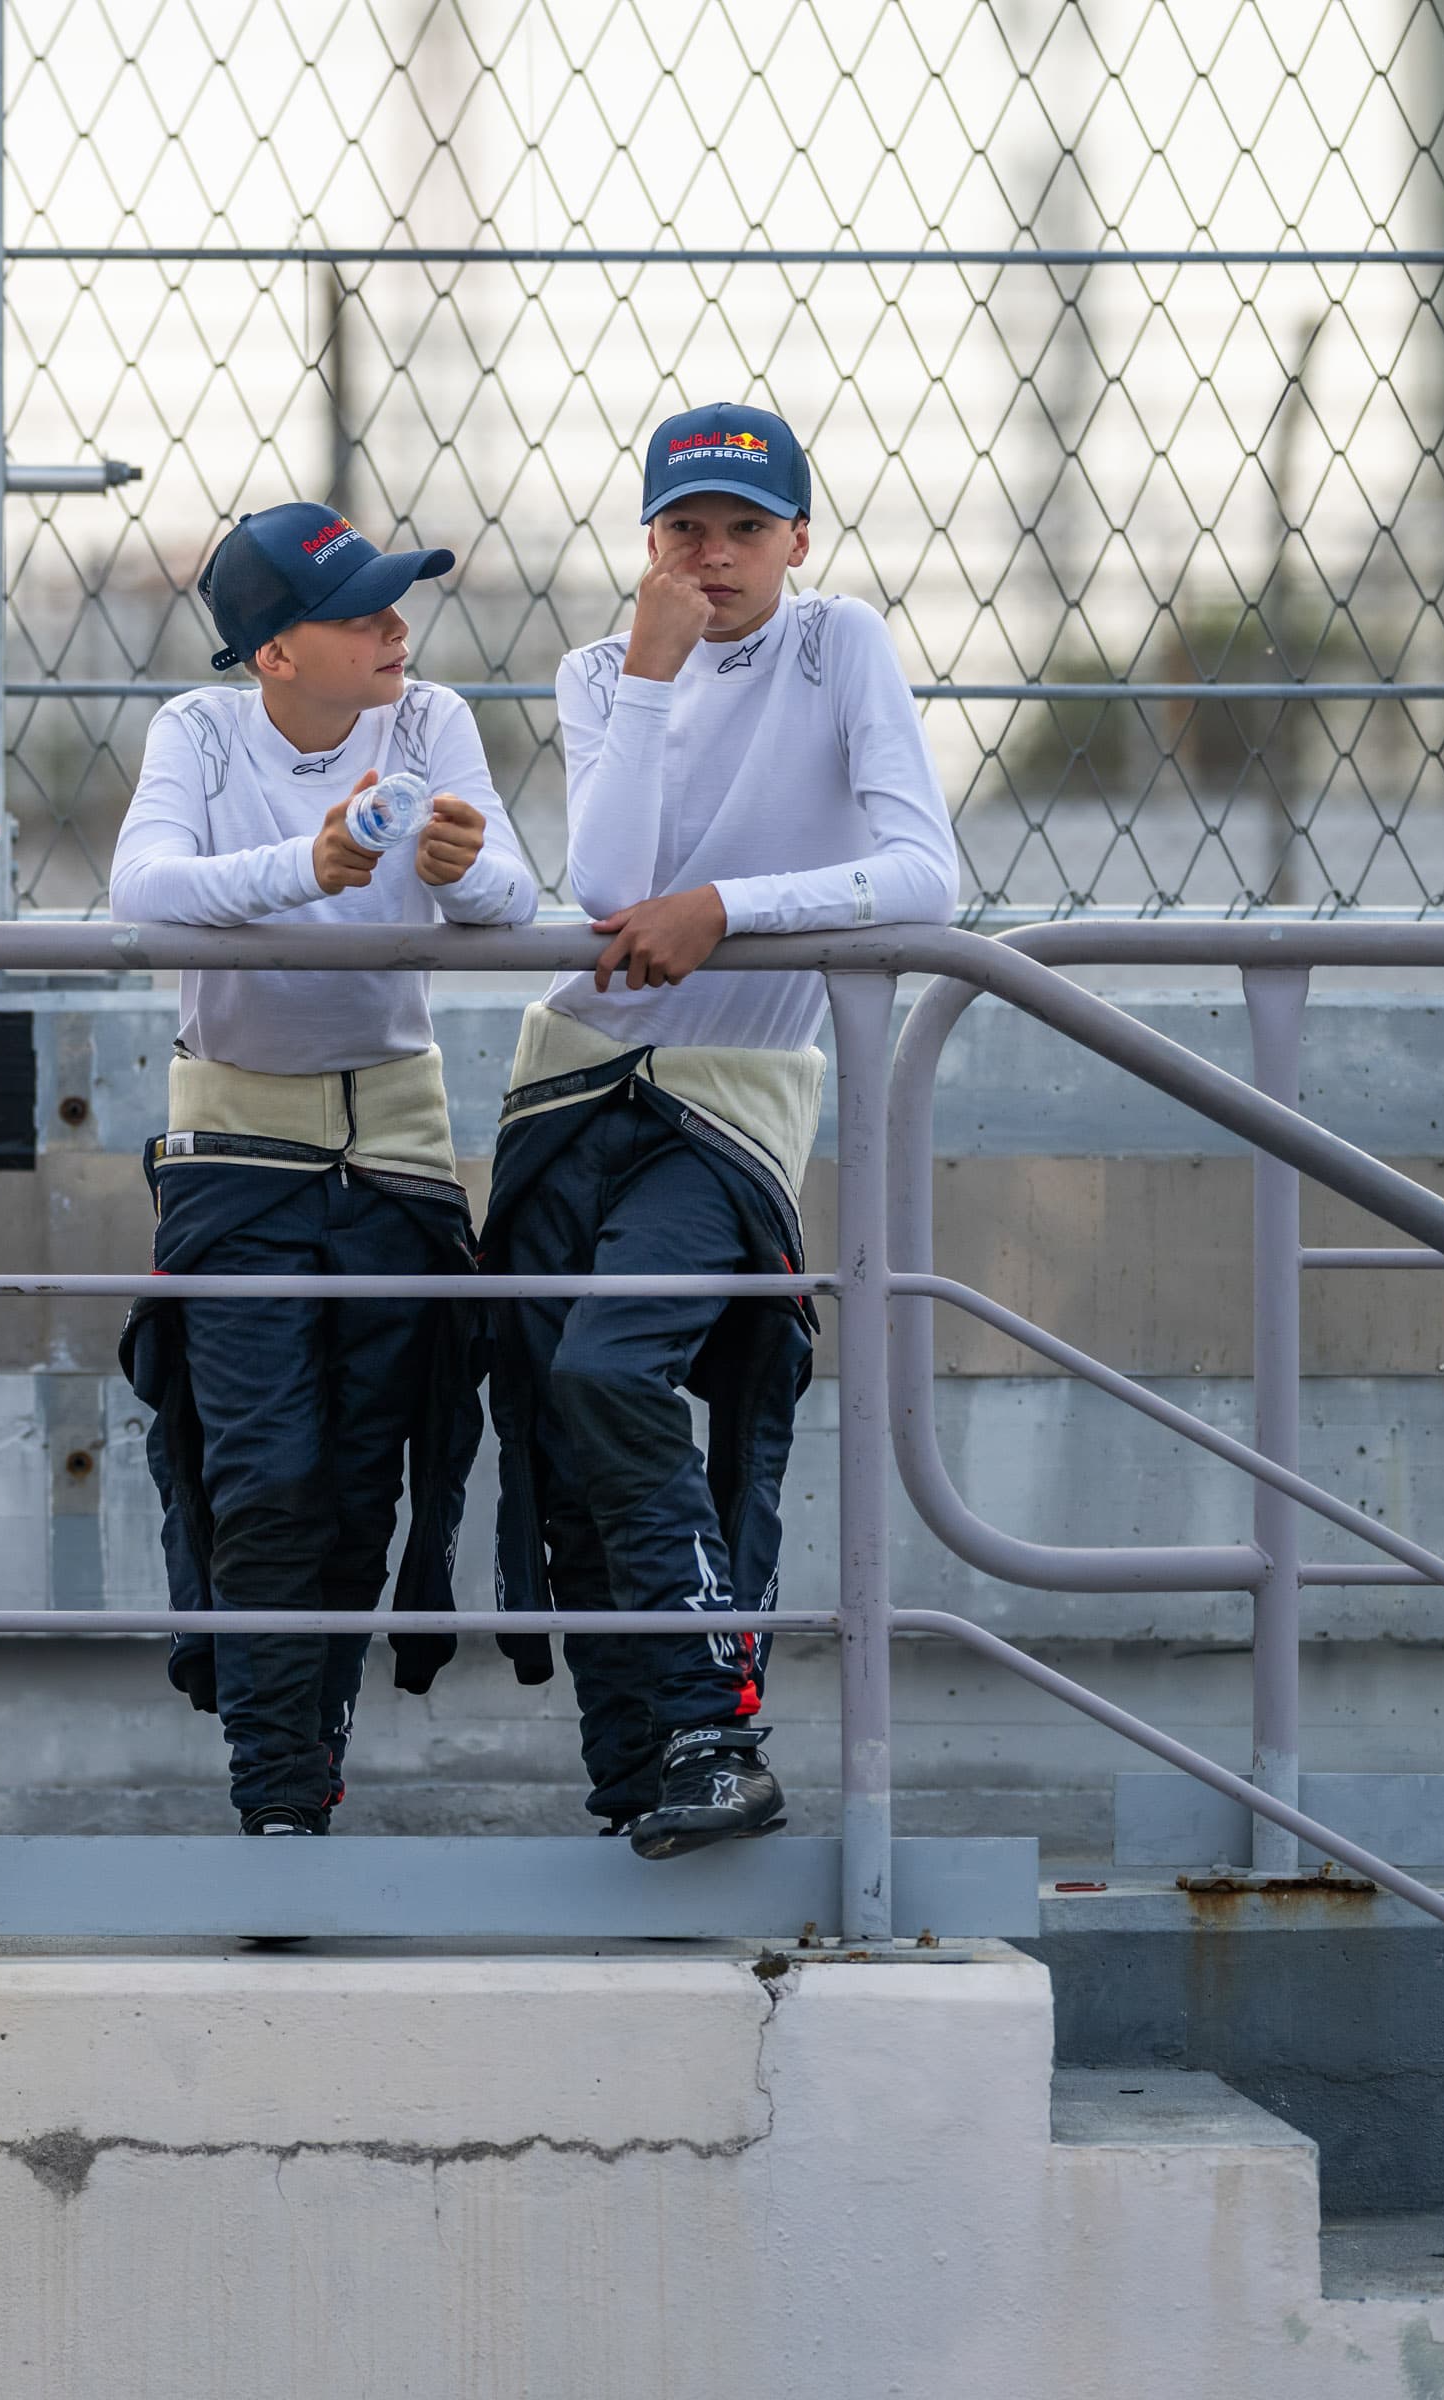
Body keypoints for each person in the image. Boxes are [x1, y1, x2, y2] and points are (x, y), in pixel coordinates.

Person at [488, 401, 957, 1856]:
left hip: (726, 1106)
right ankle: (641, 1765)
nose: (714, 555)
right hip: (570, 1082)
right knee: (560, 1420)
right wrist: (646, 673)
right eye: (686, 526)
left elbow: (923, 876)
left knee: (621, 1367)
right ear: (647, 541)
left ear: (798, 540)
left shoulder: (839, 646)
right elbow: (609, 879)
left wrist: (728, 914)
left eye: (746, 527)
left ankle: (711, 1726)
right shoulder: (601, 668)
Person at [109, 502, 544, 1836]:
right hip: (235, 1146)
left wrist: (464, 876)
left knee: (366, 1470)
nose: (394, 625)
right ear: (274, 654)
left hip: (397, 1145)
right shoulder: (197, 728)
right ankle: (273, 1795)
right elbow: (142, 889)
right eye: (359, 610)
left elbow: (515, 903)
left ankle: (305, 1757)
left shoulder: (431, 719)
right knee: (260, 1470)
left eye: (394, 600)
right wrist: (313, 862)